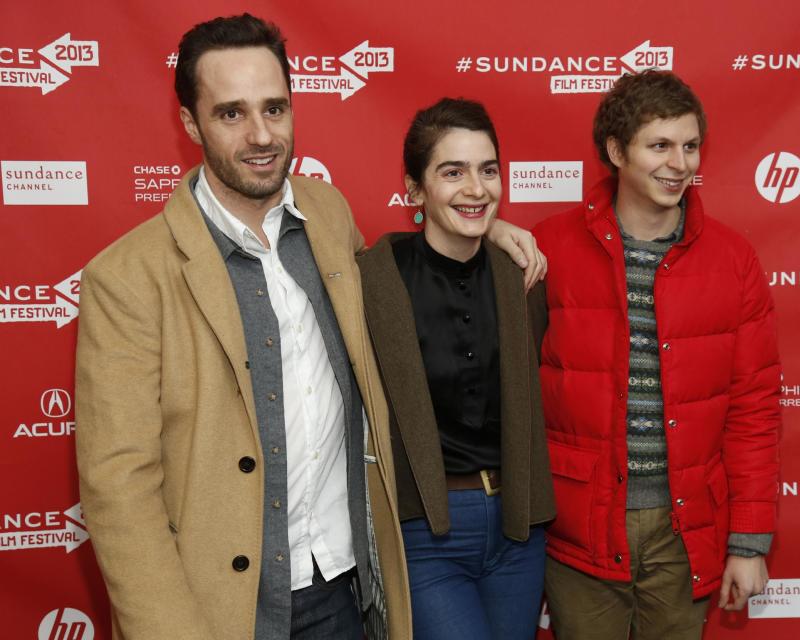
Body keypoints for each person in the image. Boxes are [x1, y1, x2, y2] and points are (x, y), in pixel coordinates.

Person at [74, 14, 542, 640]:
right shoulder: (128, 277)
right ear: (191, 123)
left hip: (347, 589)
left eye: (275, 108)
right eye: (231, 114)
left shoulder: (327, 215)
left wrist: (490, 230)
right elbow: (118, 492)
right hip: (223, 608)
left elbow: (406, 270)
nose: (261, 134)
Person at [533, 70, 782, 639]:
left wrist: (748, 541)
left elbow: (754, 410)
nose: (680, 163)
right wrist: (497, 234)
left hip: (685, 532)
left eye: (690, 146)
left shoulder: (733, 259)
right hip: (579, 532)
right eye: (660, 145)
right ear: (616, 150)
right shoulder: (547, 248)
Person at [356, 98, 556, 640]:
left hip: (518, 528)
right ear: (415, 190)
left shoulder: (524, 277)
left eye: (487, 170)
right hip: (425, 532)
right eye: (453, 172)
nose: (476, 187)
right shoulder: (371, 279)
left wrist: (493, 231)